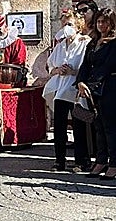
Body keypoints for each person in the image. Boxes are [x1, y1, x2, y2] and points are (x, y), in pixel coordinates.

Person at [43, 10, 91, 172]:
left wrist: (73, 72)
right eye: (64, 24)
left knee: (78, 126)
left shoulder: (85, 43)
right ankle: (59, 160)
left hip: (76, 89)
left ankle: (81, 161)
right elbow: (50, 66)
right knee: (59, 126)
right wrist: (58, 70)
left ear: (78, 27)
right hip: (61, 89)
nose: (66, 28)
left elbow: (88, 66)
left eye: (69, 24)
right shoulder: (61, 46)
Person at [77, 9, 116, 180]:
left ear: (112, 23)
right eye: (99, 21)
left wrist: (90, 85)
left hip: (110, 88)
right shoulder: (93, 43)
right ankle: (100, 160)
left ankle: (114, 163)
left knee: (110, 128)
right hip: (95, 89)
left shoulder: (114, 43)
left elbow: (106, 67)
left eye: (105, 22)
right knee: (98, 127)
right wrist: (80, 82)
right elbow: (85, 65)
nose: (101, 25)